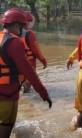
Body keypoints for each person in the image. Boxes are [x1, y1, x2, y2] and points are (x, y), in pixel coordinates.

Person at [0, 8, 52, 138]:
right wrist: (43, 93)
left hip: (7, 92)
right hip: (6, 94)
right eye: (22, 26)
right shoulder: (14, 42)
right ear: (17, 25)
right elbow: (28, 72)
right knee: (6, 129)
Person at [21, 11, 48, 92]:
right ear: (27, 22)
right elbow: (36, 50)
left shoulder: (10, 33)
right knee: (28, 84)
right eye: (29, 21)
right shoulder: (29, 34)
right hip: (29, 62)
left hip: (14, 62)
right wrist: (43, 61)